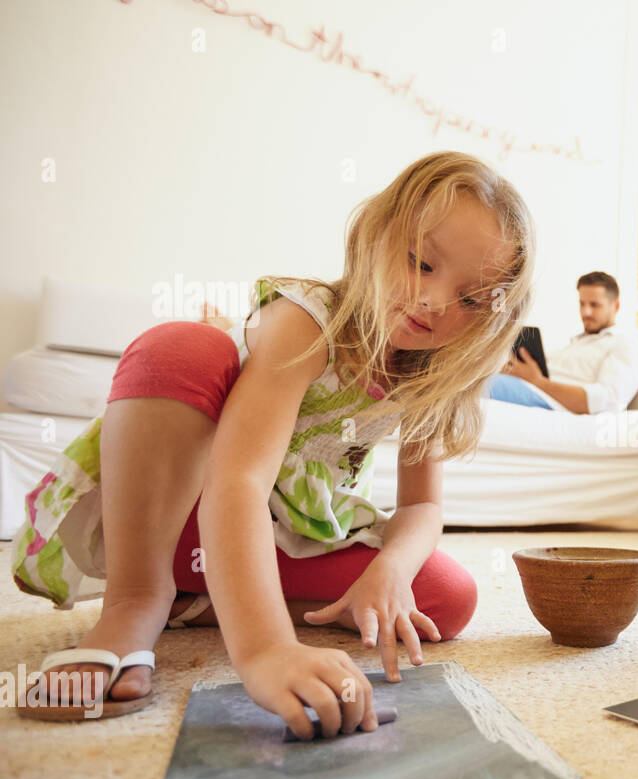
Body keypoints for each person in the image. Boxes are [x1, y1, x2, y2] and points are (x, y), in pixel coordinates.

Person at [14, 151, 536, 739]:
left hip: (287, 532)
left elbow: (422, 508)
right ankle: (138, 600)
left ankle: (197, 604)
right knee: (183, 344)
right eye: (420, 262)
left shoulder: (432, 375)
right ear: (375, 235)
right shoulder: (309, 321)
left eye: (471, 299)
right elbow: (237, 482)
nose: (434, 302)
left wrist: (390, 568)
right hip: (185, 512)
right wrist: (266, 648)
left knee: (444, 599)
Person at [488, 271, 638, 413]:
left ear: (615, 306)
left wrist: (537, 381)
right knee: (478, 373)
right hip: (532, 388)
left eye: (594, 305)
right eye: (582, 303)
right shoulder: (580, 343)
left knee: (478, 384)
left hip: (549, 400)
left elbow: (609, 400)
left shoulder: (625, 344)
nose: (586, 312)